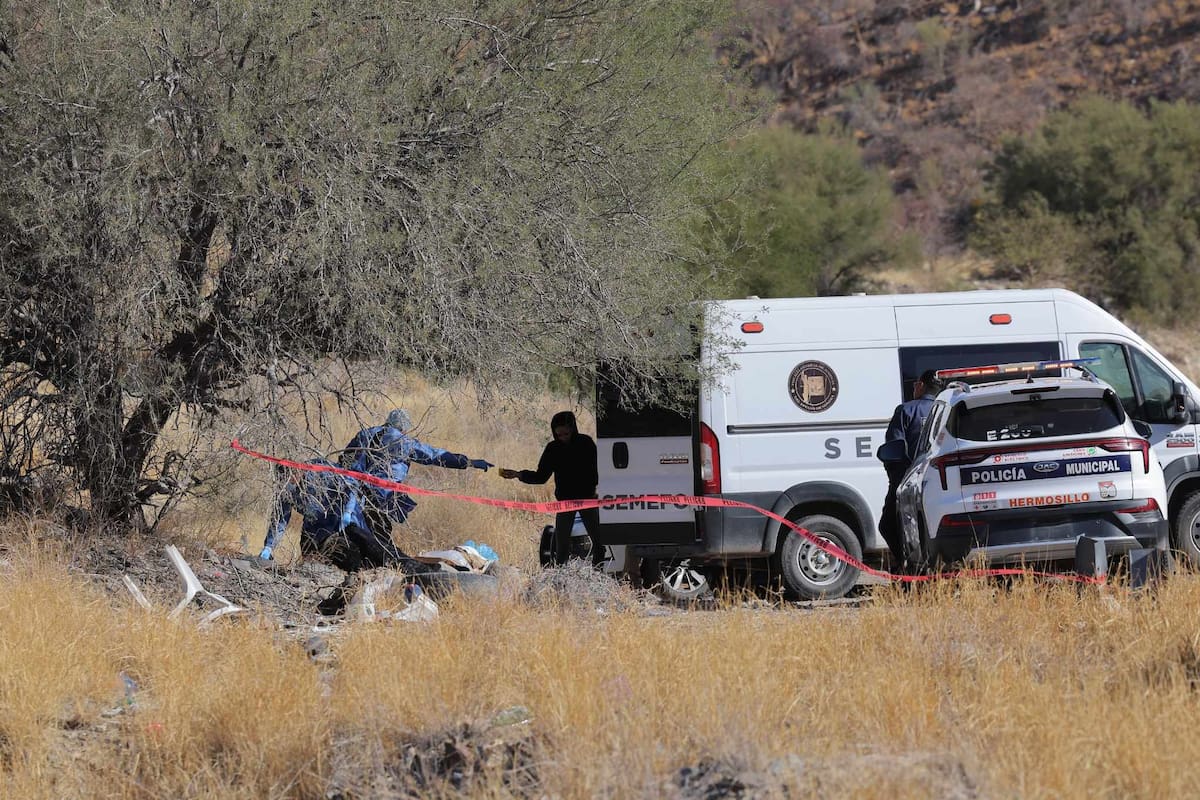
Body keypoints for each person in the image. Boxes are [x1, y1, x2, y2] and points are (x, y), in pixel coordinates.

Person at [259, 458, 431, 614]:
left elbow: (350, 484)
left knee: (377, 550)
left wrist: (347, 512)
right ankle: (362, 594)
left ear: (297, 472)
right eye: (284, 481)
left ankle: (422, 572)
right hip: (319, 535)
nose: (288, 483)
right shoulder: (287, 490)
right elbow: (280, 519)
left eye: (290, 479)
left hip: (347, 522)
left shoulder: (320, 471)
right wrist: (268, 546)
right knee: (353, 562)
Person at [340, 408, 493, 541]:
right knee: (378, 534)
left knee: (355, 529)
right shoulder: (403, 442)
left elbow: (344, 459)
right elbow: (435, 456)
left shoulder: (364, 433)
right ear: (404, 427)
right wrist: (469, 462)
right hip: (382, 496)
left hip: (351, 491)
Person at [499, 410, 602, 567]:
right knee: (561, 547)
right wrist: (518, 475)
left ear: (573, 429)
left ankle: (599, 572)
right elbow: (541, 477)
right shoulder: (552, 449)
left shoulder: (586, 443)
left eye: (566, 434)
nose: (563, 438)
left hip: (587, 500)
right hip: (565, 502)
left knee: (599, 542)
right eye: (559, 435)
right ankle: (561, 577)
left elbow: (599, 470)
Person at [878, 368, 944, 573]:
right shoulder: (946, 410)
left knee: (888, 525)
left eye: (915, 383)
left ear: (921, 385)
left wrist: (895, 479)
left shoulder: (906, 411)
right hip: (943, 481)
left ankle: (907, 567)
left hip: (910, 481)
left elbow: (894, 448)